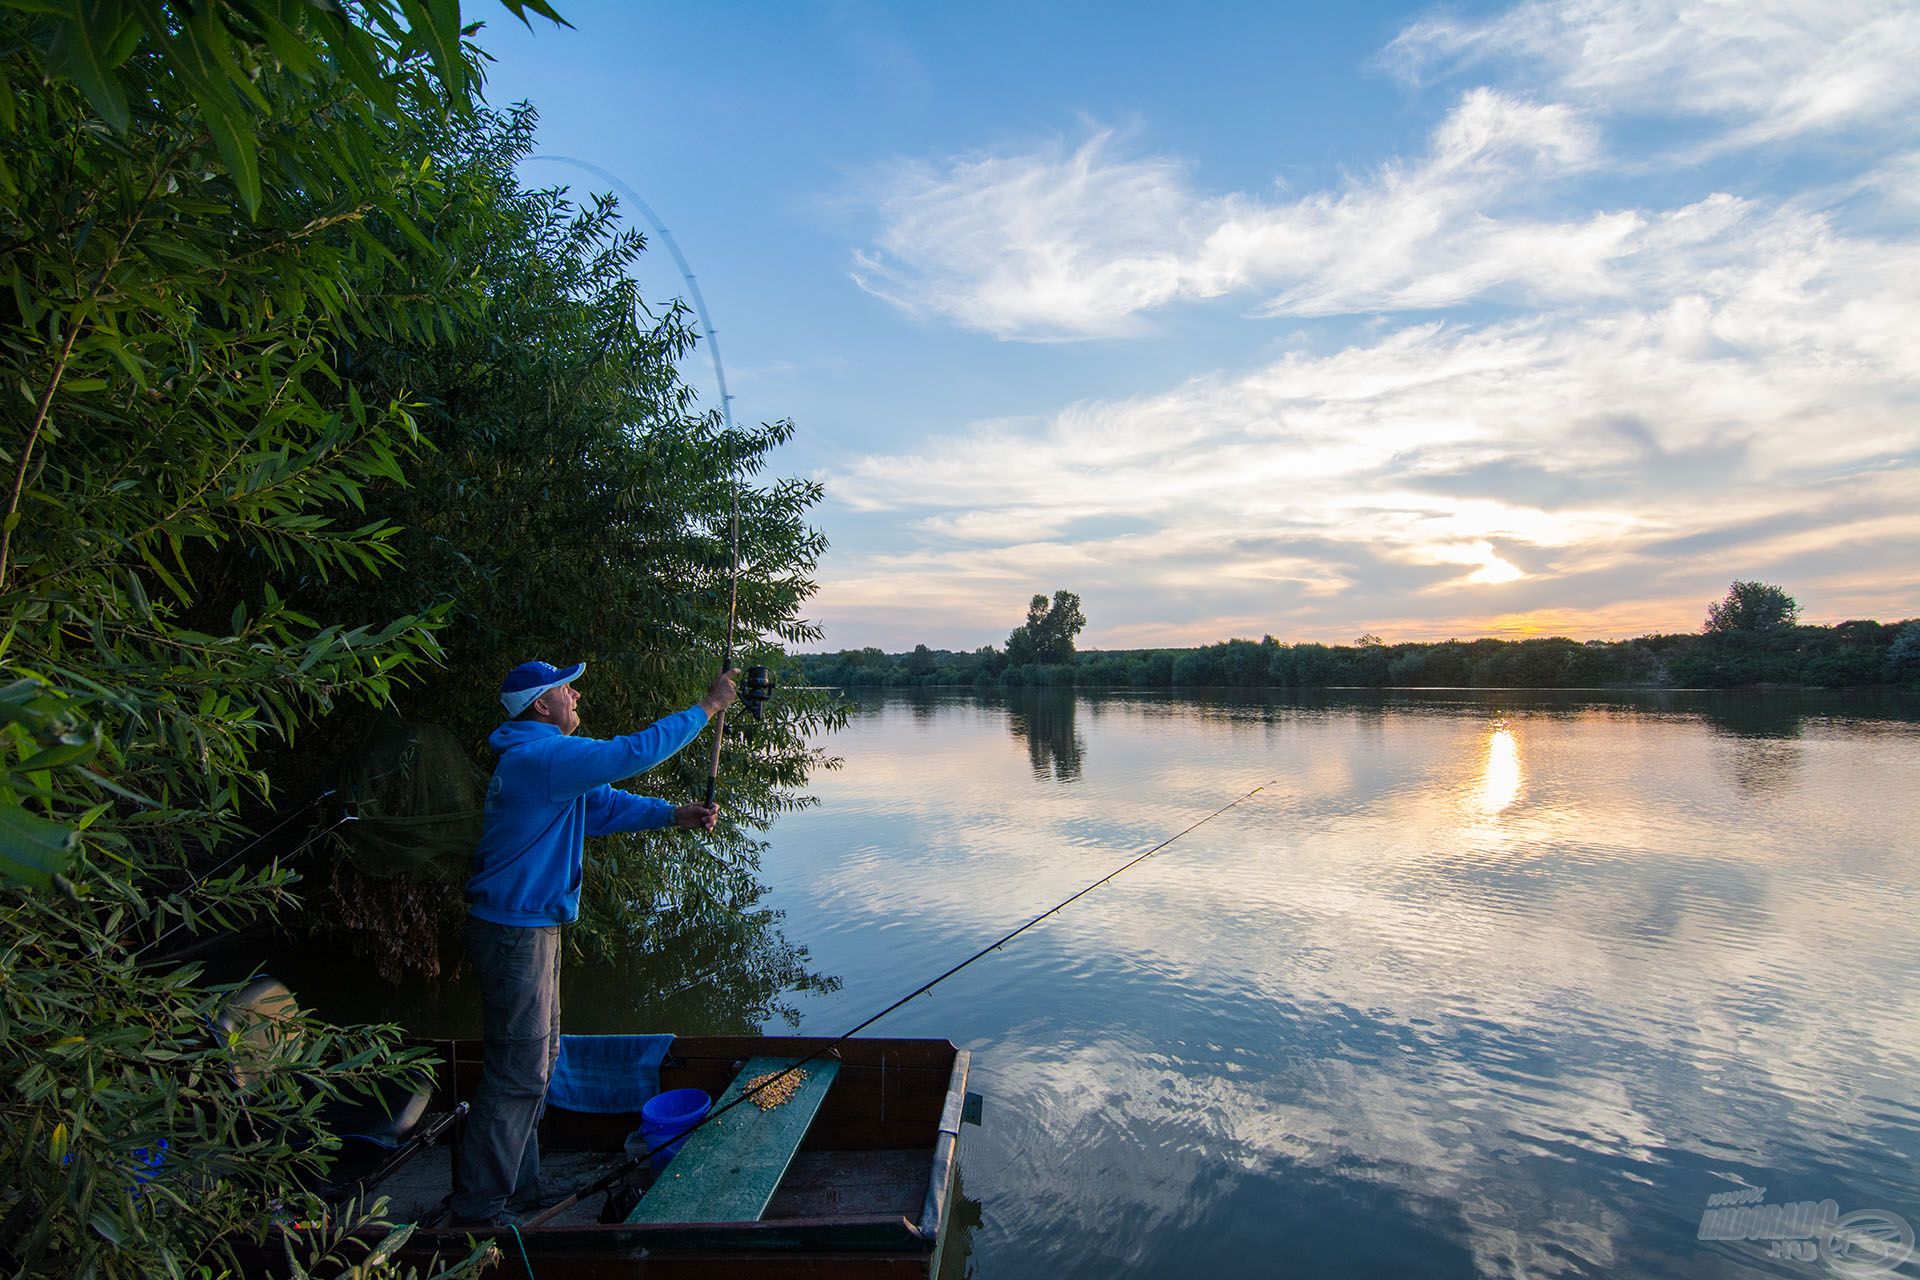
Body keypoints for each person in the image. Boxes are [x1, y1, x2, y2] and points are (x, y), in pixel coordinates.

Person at [450, 658, 737, 1227]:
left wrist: (674, 815)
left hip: (526, 928)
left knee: (537, 1061)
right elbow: (632, 753)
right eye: (566, 688)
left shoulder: (543, 763)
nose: (575, 694)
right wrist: (707, 709)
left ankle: (521, 1189)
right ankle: (479, 1213)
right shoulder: (543, 755)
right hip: (516, 933)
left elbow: (603, 806)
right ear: (542, 705)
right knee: (519, 1072)